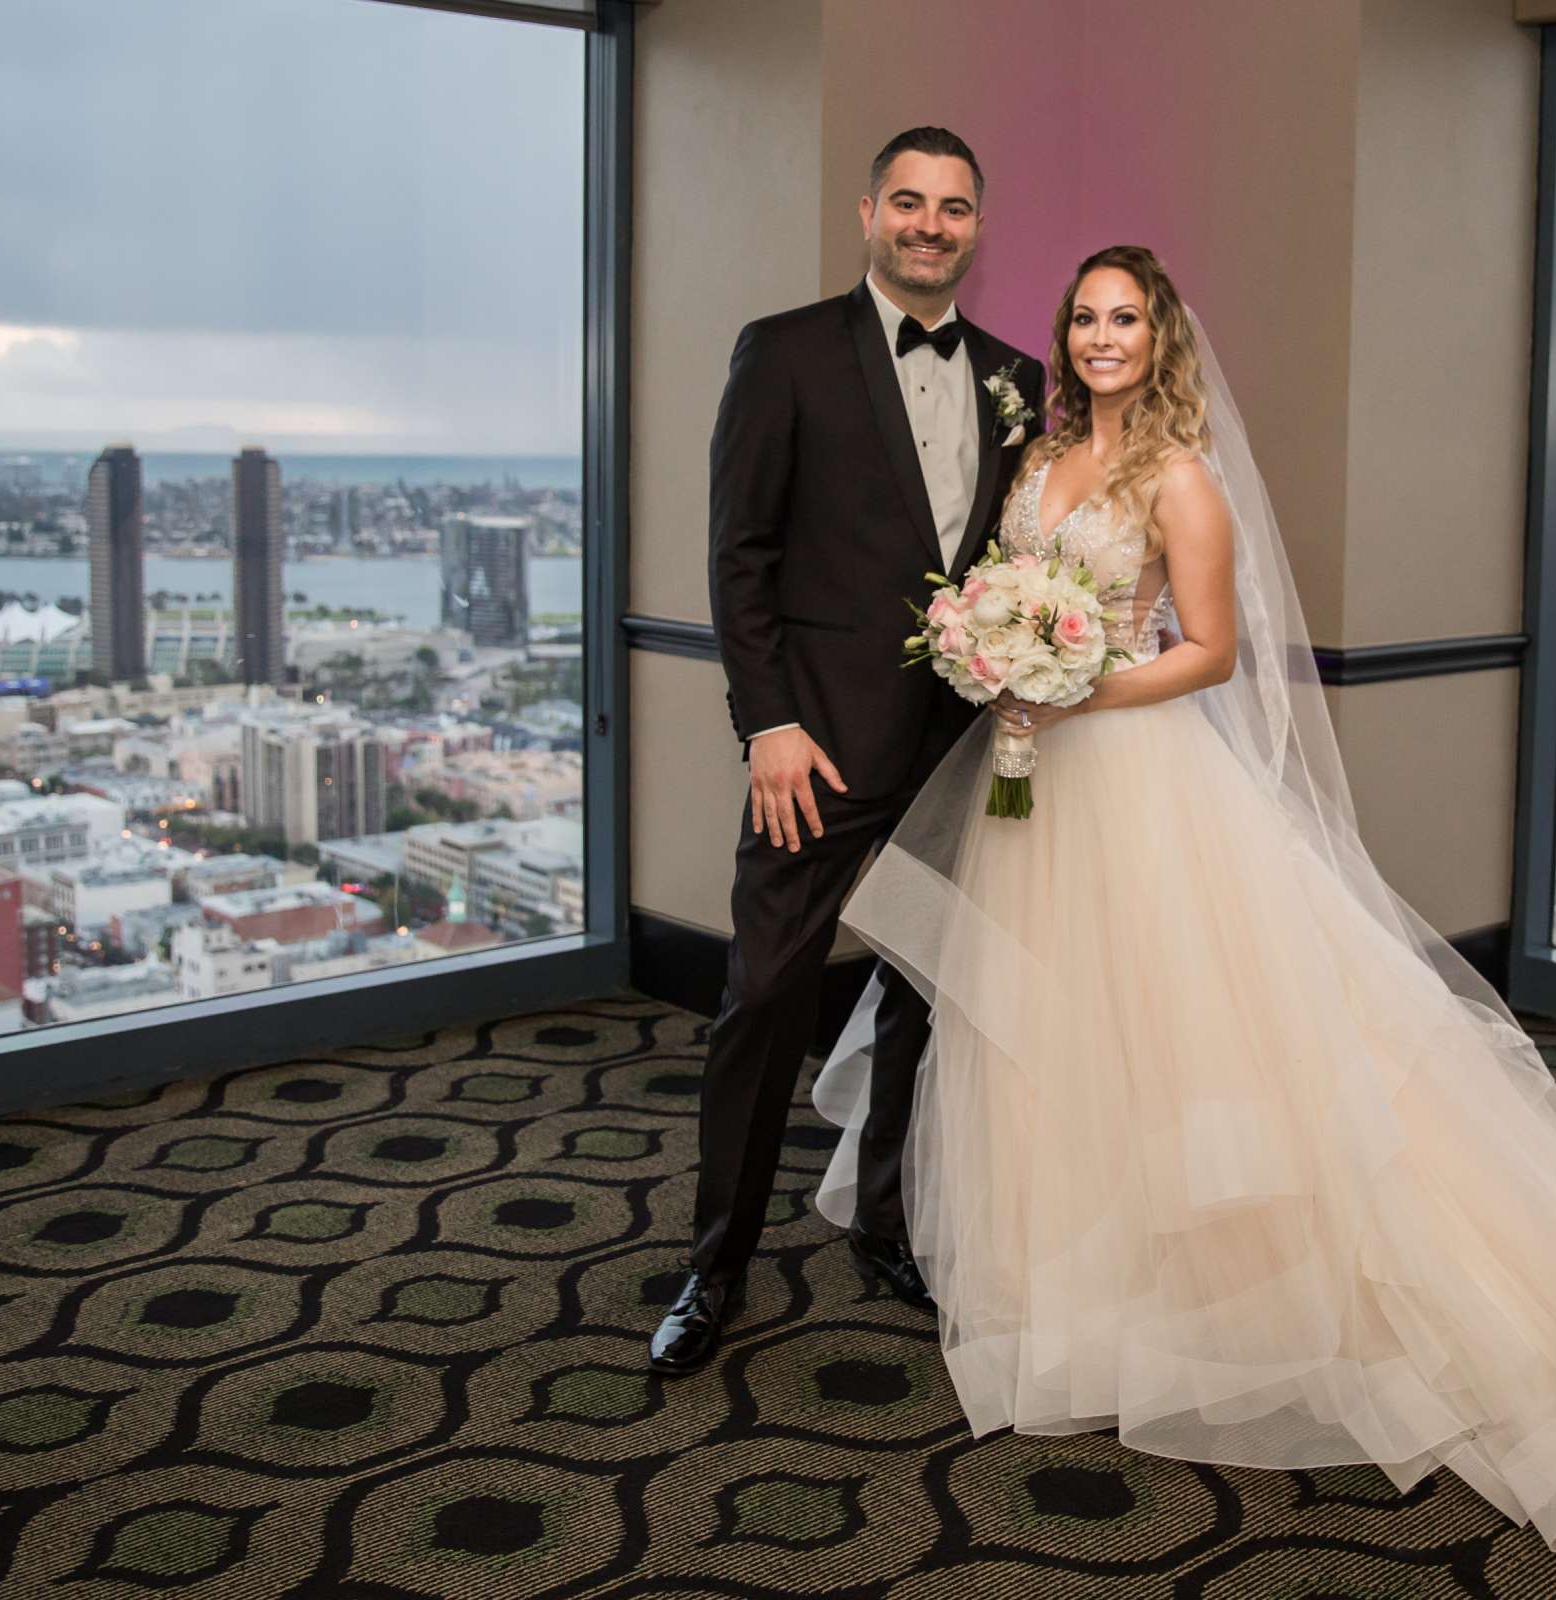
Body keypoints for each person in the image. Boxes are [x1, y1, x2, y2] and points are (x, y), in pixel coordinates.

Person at [809, 245, 1556, 1550]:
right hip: (1028, 787)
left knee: (1176, 1035)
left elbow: (1213, 652)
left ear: (1161, 338)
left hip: (1133, 782)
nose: (1102, 336)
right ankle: (1072, 1302)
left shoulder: (1182, 478)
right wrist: (995, 653)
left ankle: (1204, 1302)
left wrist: (1077, 684)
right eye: (1085, 317)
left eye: (1126, 318)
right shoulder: (1040, 463)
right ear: (1064, 336)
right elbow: (1002, 593)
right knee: (1046, 1037)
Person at [650, 127, 1044, 1375]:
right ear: (868, 210)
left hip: (959, 751)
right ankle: (714, 1266)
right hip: (809, 753)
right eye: (911, 203)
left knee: (927, 1001)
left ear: (980, 226)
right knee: (764, 1002)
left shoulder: (1016, 374)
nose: (932, 225)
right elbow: (740, 556)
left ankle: (886, 1226)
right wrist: (767, 724)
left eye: (957, 208)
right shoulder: (784, 352)